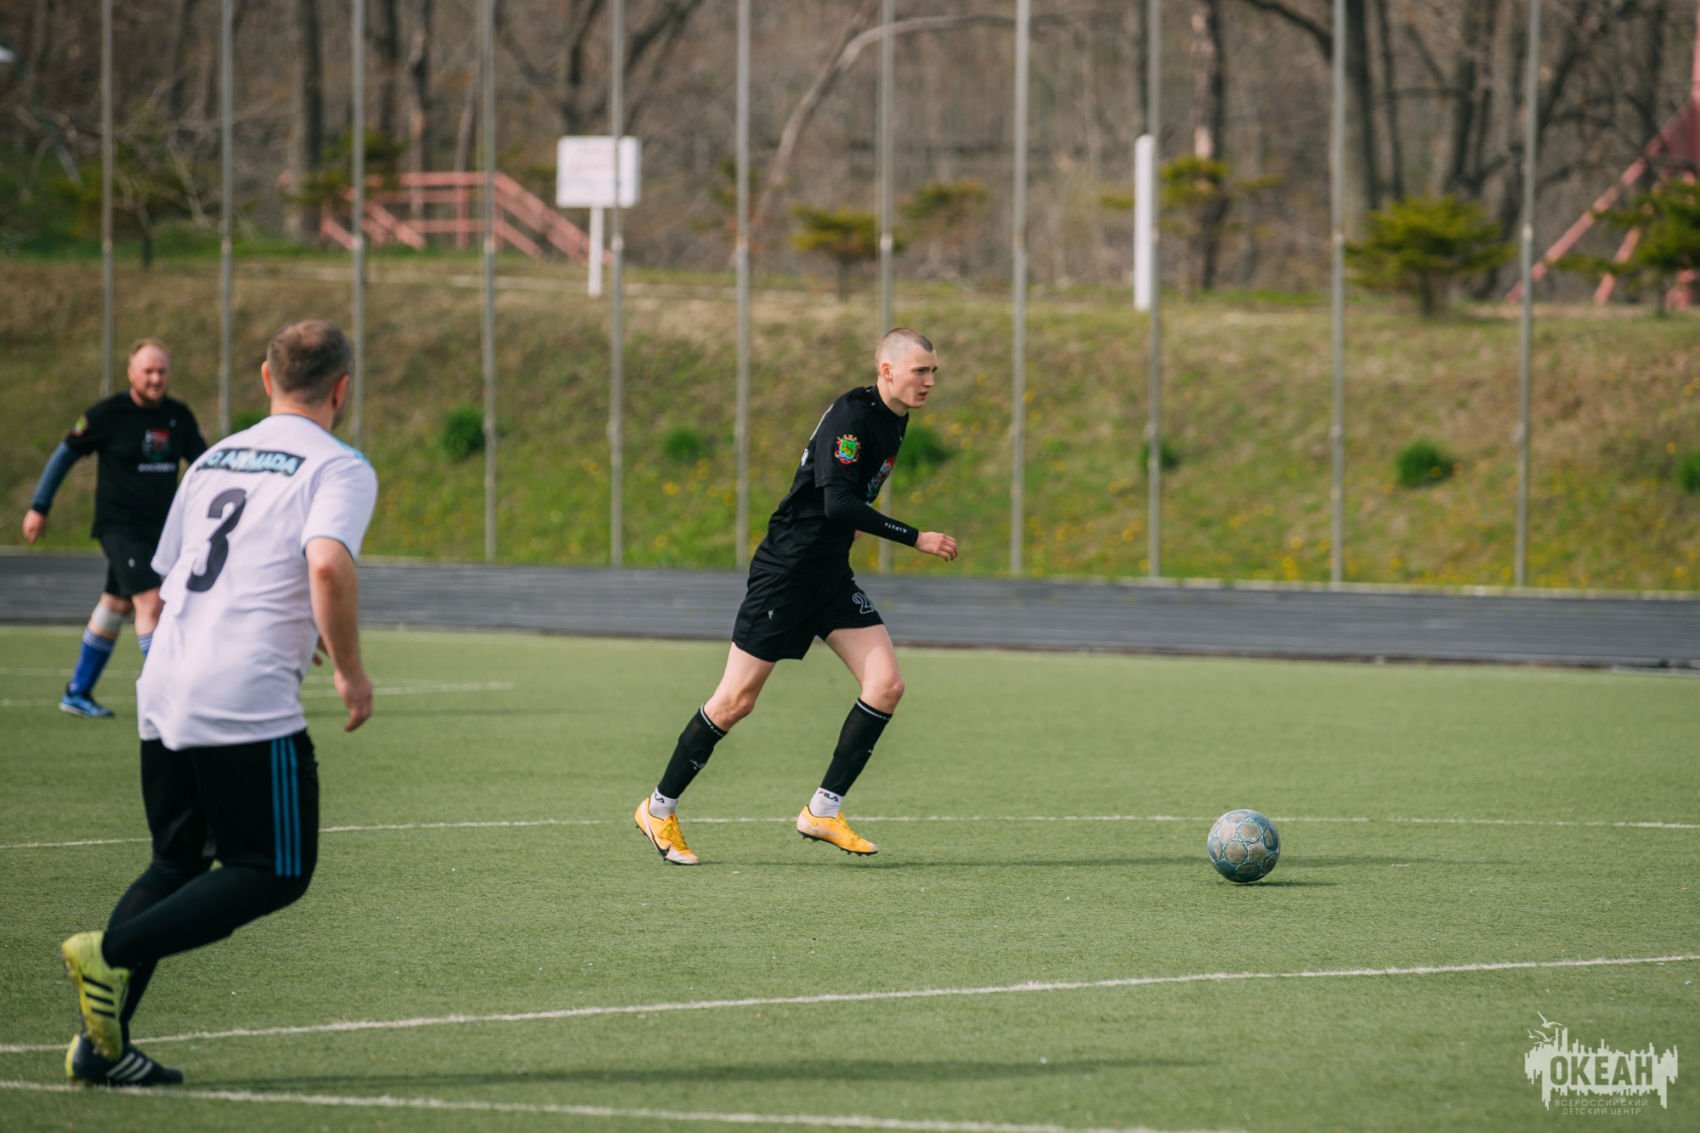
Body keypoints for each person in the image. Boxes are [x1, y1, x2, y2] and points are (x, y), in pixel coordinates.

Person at [57, 320, 378, 1087]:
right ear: (341, 389)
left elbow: (179, 576)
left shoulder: (213, 458)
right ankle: (110, 951)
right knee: (277, 867)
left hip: (166, 676)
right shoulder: (338, 465)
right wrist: (351, 671)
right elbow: (326, 567)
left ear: (266, 379)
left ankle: (101, 1048)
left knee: (176, 860)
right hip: (242, 694)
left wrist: (304, 630)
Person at [634, 327, 958, 866]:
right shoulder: (853, 417)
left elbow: (846, 498)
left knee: (886, 686)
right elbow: (836, 503)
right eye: (920, 370)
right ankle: (658, 807)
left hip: (829, 577)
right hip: (786, 574)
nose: (929, 381)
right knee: (735, 702)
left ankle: (823, 810)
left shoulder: (895, 418)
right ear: (887, 371)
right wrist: (915, 537)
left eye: (933, 372)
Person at [23, 339, 208, 718]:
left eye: (161, 371)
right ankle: (169, 697)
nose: (155, 379)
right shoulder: (107, 414)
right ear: (131, 373)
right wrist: (40, 505)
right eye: (148, 371)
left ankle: (77, 692)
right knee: (151, 603)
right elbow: (65, 455)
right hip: (120, 526)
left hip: (160, 531)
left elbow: (203, 467)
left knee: (116, 604)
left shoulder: (178, 416)